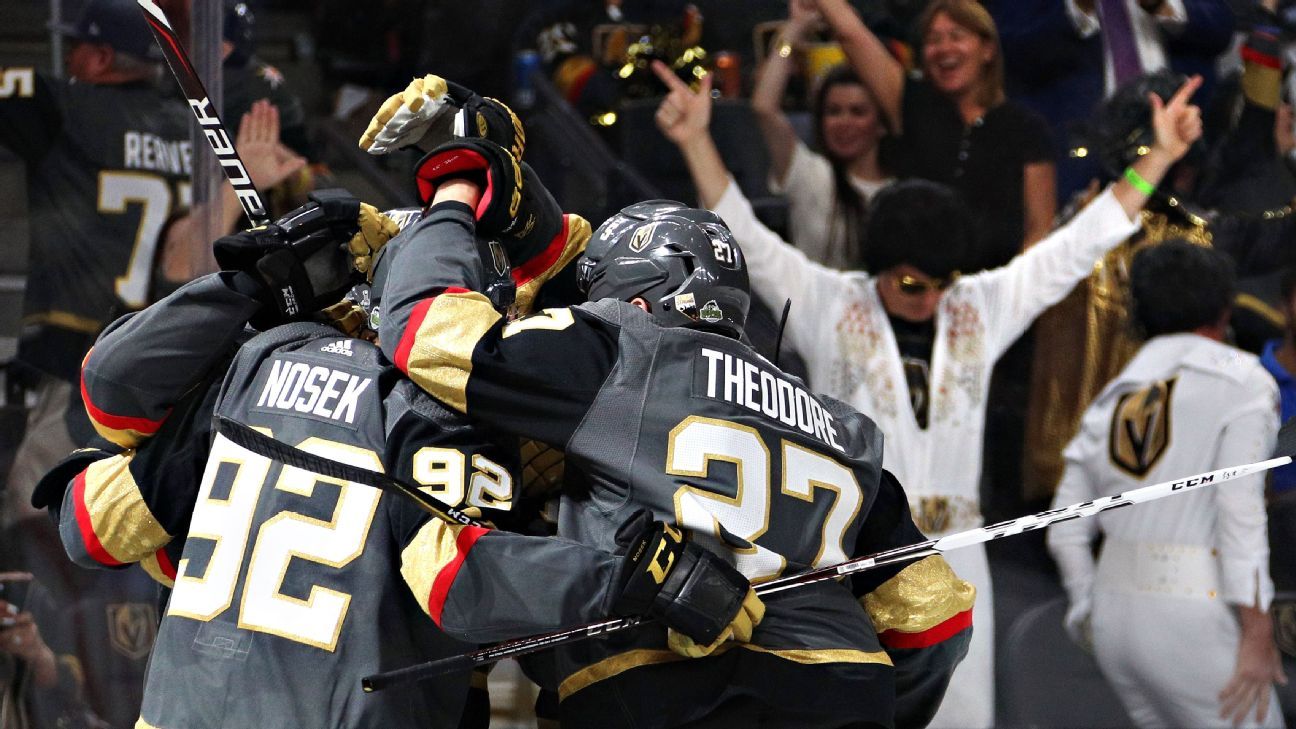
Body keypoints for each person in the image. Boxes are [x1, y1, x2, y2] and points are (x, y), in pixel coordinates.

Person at [37, 172, 759, 728]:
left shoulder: (256, 362)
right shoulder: (436, 409)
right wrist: (636, 578)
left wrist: (246, 284)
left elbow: (88, 523)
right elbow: (461, 580)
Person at [363, 85, 976, 727]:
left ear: (635, 298)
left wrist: (456, 188)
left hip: (663, 695)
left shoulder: (621, 351)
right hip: (849, 694)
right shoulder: (843, 428)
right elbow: (936, 618)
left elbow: (425, 329)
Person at [652, 55, 1203, 727]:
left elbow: (1074, 248)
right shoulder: (829, 301)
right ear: (882, 267)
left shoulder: (977, 303)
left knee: (965, 717)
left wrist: (1159, 156)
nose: (932, 299)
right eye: (914, 284)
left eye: (943, 283)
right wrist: (694, 140)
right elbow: (750, 238)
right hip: (852, 554)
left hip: (962, 549)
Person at [0, 0, 303, 531]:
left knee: (48, 525)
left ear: (99, 57)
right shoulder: (195, 132)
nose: (68, 58)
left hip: (76, 359)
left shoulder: (66, 105)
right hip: (164, 355)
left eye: (75, 48)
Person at [1047, 240, 1286, 729]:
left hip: (1114, 617)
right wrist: (1259, 632)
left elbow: (1064, 530)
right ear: (1225, 308)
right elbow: (1239, 509)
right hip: (1198, 614)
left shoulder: (1108, 400)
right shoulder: (1243, 381)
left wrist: (1088, 610)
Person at [815, 0, 1056, 270]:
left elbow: (1039, 229)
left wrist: (1008, 294)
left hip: (997, 295)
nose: (944, 49)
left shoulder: (1025, 128)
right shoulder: (911, 104)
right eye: (933, 39)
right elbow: (851, 34)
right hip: (916, 294)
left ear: (987, 50)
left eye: (956, 36)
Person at [991, 0, 1234, 201]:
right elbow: (1010, 46)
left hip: (1179, 143)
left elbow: (1220, 27)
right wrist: (1079, 9)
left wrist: (1163, 6)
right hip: (1077, 154)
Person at [750, 0, 893, 269]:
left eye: (857, 111)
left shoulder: (900, 185)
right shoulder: (809, 173)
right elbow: (764, 107)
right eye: (833, 111)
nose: (844, 122)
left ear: (882, 123)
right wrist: (795, 28)